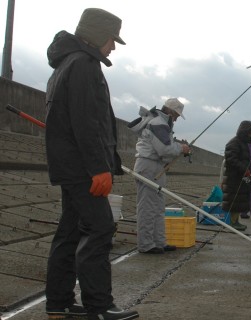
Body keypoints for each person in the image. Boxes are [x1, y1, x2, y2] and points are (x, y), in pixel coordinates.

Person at [44, 8, 139, 320]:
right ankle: (99, 308)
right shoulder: (85, 64)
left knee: (69, 232)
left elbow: (78, 121)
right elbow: (87, 123)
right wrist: (99, 167)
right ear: (99, 34)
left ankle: (57, 303)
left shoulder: (64, 65)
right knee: (100, 229)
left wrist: (110, 160)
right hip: (83, 169)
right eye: (112, 40)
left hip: (69, 167)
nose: (113, 47)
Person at [129, 98, 191, 254]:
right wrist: (182, 148)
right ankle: (146, 245)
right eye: (176, 115)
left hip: (155, 167)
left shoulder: (161, 124)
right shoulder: (159, 123)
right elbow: (164, 149)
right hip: (149, 166)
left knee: (158, 207)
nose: (176, 119)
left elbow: (164, 150)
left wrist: (178, 148)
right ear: (170, 112)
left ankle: (159, 242)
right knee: (147, 208)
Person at [221, 120, 251, 231]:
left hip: (241, 177)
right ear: (245, 131)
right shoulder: (234, 143)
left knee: (240, 201)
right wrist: (244, 169)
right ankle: (233, 222)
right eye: (250, 132)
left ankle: (235, 221)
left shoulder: (243, 142)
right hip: (234, 178)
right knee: (235, 201)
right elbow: (231, 159)